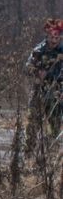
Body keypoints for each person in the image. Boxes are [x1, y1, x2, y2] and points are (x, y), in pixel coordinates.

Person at [25, 18, 63, 150]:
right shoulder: (38, 50)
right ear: (47, 35)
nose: (54, 39)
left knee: (54, 128)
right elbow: (27, 67)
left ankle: (51, 154)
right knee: (32, 126)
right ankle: (29, 154)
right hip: (39, 92)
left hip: (57, 95)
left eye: (57, 36)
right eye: (52, 36)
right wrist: (37, 72)